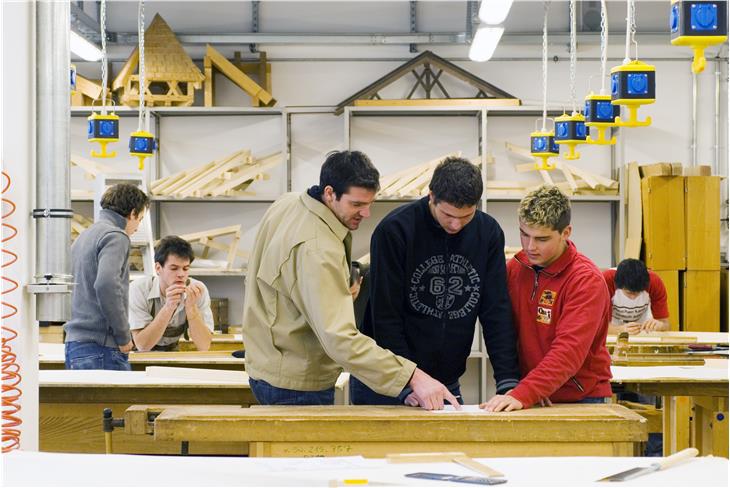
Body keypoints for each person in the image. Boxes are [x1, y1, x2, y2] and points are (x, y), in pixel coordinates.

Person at [242, 150, 459, 410]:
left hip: (266, 364)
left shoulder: (290, 203)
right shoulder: (317, 248)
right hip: (296, 382)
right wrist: (412, 377)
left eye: (369, 203)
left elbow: (281, 276)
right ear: (330, 193)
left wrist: (342, 280)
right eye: (356, 204)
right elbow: (340, 339)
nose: (365, 213)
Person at [350, 156, 520, 406]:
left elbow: (496, 309)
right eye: (448, 215)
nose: (456, 225)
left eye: (466, 217)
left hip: (446, 380)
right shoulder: (395, 231)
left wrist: (507, 380)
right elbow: (386, 317)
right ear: (431, 196)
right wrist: (408, 382)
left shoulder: (488, 233)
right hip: (387, 382)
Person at [481, 185, 612, 412]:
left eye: (542, 239)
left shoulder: (585, 280)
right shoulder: (516, 267)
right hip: (533, 395)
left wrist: (527, 391)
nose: (530, 246)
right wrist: (523, 388)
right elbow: (502, 331)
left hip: (579, 399)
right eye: (524, 234)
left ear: (566, 232)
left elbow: (569, 351)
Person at [64, 183, 150, 370]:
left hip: (76, 343)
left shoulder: (84, 236)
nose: (137, 227)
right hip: (101, 346)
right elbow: (106, 285)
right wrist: (123, 336)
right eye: (140, 219)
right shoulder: (116, 236)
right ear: (132, 213)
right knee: (112, 401)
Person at [129, 236, 214, 352]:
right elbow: (142, 346)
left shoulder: (198, 290)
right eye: (174, 268)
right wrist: (168, 307)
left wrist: (191, 308)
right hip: (137, 354)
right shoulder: (139, 289)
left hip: (171, 351)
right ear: (158, 268)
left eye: (185, 269)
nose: (181, 274)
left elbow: (204, 346)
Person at [604, 258, 670, 335]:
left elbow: (666, 324)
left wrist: (660, 326)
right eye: (629, 293)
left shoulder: (655, 282)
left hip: (642, 328)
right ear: (618, 284)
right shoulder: (606, 281)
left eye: (638, 293)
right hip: (612, 326)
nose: (633, 298)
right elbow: (598, 327)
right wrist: (619, 330)